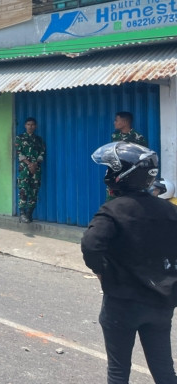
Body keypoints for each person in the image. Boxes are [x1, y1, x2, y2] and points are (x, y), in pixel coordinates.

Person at [83, 142, 177, 384]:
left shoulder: (113, 210)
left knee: (118, 371)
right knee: (164, 370)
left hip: (122, 304)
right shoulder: (170, 211)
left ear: (123, 174)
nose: (107, 174)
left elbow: (91, 245)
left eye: (110, 169)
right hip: (161, 303)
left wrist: (102, 272)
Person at [14, 117, 46, 223]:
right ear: (25, 126)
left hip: (36, 170)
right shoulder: (20, 138)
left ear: (35, 126)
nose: (30, 126)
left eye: (32, 125)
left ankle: (29, 214)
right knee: (23, 190)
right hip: (24, 169)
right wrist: (29, 164)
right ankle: (22, 214)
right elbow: (19, 153)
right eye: (28, 124)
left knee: (34, 191)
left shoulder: (39, 140)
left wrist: (35, 164)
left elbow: (42, 153)